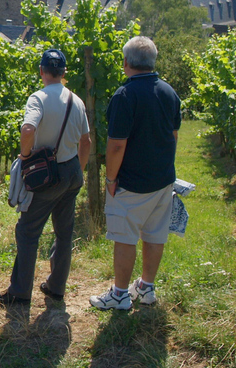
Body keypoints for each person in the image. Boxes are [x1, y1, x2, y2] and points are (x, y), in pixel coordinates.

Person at [0, 49, 91, 306]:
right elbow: (86, 141)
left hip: (47, 174)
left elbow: (27, 128)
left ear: (41, 71)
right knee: (64, 233)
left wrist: (25, 157)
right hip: (71, 171)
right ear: (64, 72)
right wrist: (77, 169)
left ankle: (20, 292)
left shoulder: (39, 98)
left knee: (28, 231)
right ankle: (56, 287)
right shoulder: (76, 100)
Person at [90, 36, 181, 310]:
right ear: (153, 61)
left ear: (126, 62)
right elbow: (174, 135)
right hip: (162, 179)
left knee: (125, 237)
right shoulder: (169, 92)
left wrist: (110, 178)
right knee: (155, 234)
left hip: (131, 182)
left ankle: (119, 294)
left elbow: (117, 145)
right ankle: (146, 287)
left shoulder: (125, 95)